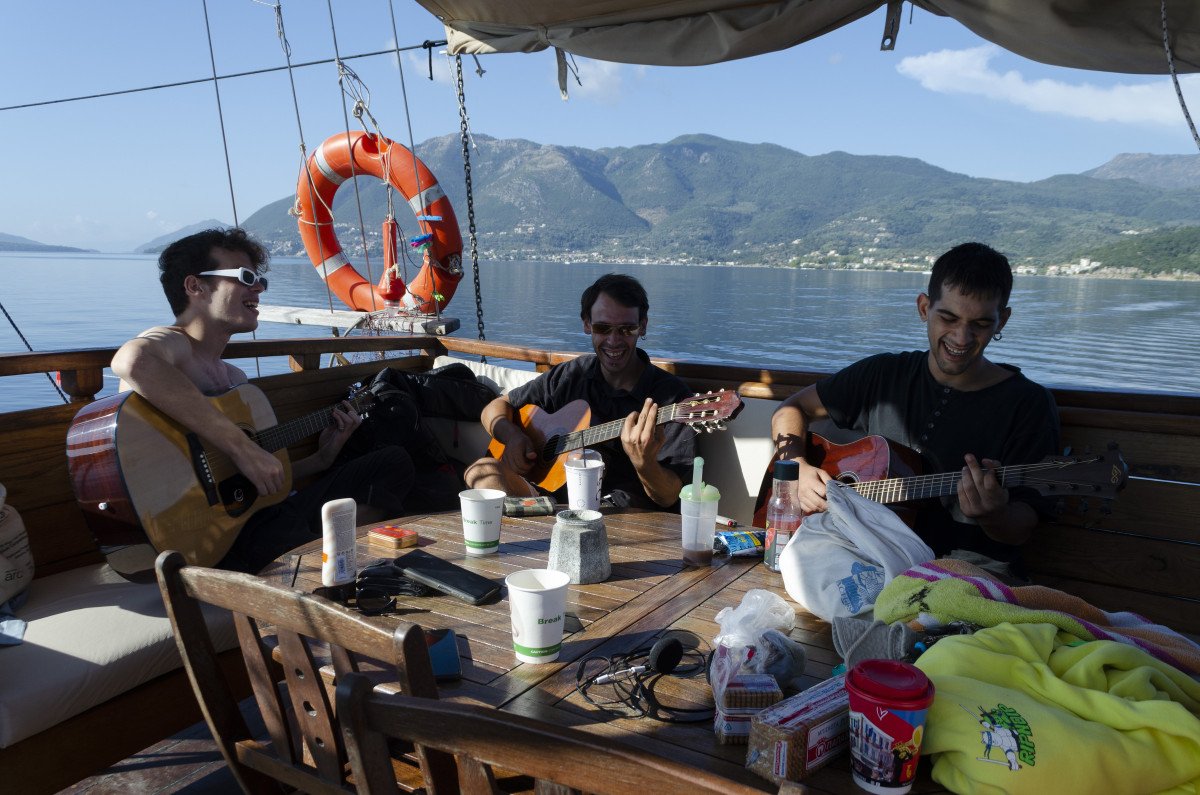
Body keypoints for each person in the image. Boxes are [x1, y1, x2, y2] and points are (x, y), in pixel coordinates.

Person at [111, 228, 413, 572]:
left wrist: (322, 457)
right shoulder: (174, 345)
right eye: (246, 277)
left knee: (393, 461)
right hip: (214, 536)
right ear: (195, 286)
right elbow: (131, 361)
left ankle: (345, 555)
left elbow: (258, 483)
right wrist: (242, 447)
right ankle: (343, 559)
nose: (259, 288)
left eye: (260, 280)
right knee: (291, 533)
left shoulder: (235, 382)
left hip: (257, 516)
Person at [770, 242, 1059, 568]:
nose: (961, 338)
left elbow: (1022, 527)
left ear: (1002, 321)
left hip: (964, 575)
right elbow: (792, 408)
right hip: (868, 558)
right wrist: (796, 469)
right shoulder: (883, 374)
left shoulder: (1028, 404)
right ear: (924, 308)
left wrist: (995, 514)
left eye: (980, 324)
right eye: (948, 317)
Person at [465, 273, 695, 509]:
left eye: (626, 329)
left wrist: (644, 463)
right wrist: (513, 436)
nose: (614, 340)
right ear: (587, 324)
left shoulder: (671, 399)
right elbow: (494, 408)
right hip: (548, 502)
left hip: (618, 514)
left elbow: (669, 495)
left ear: (642, 326)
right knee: (481, 471)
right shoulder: (570, 376)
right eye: (603, 328)